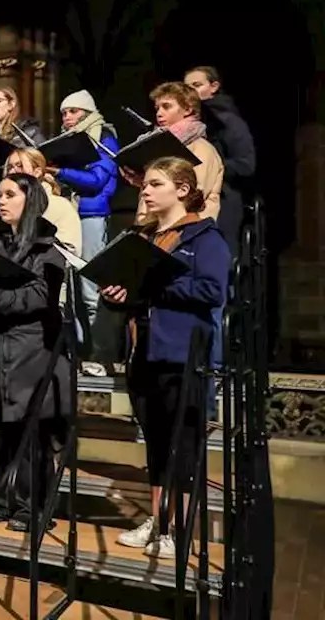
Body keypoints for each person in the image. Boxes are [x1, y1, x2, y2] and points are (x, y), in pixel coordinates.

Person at [103, 157, 229, 560]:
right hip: (146, 353)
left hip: (183, 357)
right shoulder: (144, 239)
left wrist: (154, 284)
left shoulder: (205, 237)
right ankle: (159, 521)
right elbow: (142, 295)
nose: (145, 190)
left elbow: (212, 291)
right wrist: (123, 294)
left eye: (156, 184)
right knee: (157, 444)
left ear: (182, 189)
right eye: (146, 184)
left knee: (184, 446)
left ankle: (180, 529)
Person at [0, 174, 71, 533]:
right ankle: (4, 496)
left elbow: (38, 298)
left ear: (31, 200)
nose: (1, 201)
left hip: (33, 347)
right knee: (6, 430)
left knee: (32, 433)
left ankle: (34, 506)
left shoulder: (48, 249)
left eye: (10, 194)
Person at [52, 90, 120, 378]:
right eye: (64, 113)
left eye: (74, 111)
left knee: (92, 289)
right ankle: (78, 352)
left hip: (92, 216)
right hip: (68, 215)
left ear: (88, 112)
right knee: (71, 291)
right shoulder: (66, 143)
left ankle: (102, 354)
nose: (67, 117)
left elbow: (97, 180)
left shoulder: (104, 136)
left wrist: (60, 171)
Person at [126, 83, 224, 224]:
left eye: (167, 106)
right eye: (157, 108)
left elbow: (194, 194)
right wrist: (140, 180)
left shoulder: (201, 148)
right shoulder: (159, 146)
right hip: (153, 228)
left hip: (185, 230)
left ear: (187, 109)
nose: (159, 113)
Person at [185, 66, 256, 250]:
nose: (190, 91)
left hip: (224, 200)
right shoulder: (186, 124)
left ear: (214, 86)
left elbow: (246, 165)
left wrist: (210, 167)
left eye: (197, 85)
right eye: (186, 87)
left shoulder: (229, 122)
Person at [4, 148, 82, 256]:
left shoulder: (60, 206)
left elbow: (70, 252)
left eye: (20, 166)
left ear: (37, 172)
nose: (12, 172)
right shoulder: (4, 206)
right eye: (10, 167)